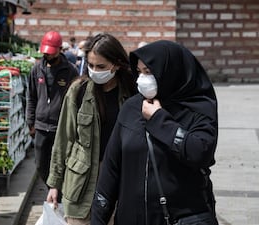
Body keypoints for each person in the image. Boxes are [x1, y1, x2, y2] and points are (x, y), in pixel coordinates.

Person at [91, 40, 219, 225]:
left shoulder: (198, 109)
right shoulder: (132, 108)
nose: (141, 79)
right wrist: (98, 218)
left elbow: (200, 152)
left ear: (170, 72)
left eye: (148, 72)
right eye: (139, 71)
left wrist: (159, 120)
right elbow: (111, 170)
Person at [46, 33, 138, 225]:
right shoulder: (78, 90)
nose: (95, 71)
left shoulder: (131, 93)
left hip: (119, 183)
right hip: (81, 185)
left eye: (101, 66)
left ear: (117, 64)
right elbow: (64, 138)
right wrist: (54, 184)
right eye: (91, 65)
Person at [26, 31, 79, 192]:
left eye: (51, 52)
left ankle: (57, 192)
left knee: (60, 162)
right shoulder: (37, 69)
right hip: (41, 125)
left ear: (60, 49)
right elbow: (31, 97)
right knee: (41, 164)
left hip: (60, 127)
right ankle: (51, 188)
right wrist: (30, 121)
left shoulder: (70, 71)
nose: (47, 55)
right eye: (45, 52)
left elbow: (76, 101)